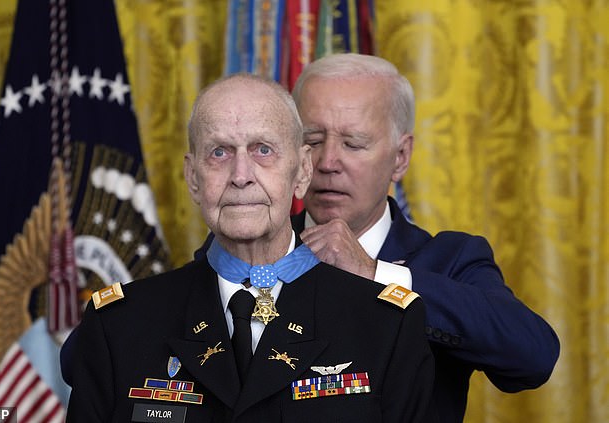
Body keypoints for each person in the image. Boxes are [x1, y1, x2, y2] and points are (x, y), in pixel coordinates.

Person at [66, 73, 436, 422]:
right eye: (219, 153)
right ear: (193, 178)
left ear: (303, 171)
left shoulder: (386, 324)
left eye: (263, 150)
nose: (241, 176)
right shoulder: (119, 324)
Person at [287, 53, 561, 422]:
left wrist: (375, 274)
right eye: (312, 140)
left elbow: (534, 356)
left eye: (353, 143)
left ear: (400, 157)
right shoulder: (251, 246)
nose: (327, 162)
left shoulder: (450, 258)